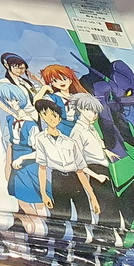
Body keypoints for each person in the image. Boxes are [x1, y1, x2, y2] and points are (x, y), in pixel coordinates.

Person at [15, 98, 98, 233]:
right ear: (41, 116)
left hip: (75, 180)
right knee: (60, 221)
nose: (50, 118)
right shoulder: (40, 139)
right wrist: (44, 194)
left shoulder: (70, 142)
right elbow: (42, 168)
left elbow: (80, 171)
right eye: (45, 114)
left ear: (59, 118)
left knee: (85, 218)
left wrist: (93, 197)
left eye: (54, 115)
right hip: (58, 180)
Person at [0, 52, 49, 234]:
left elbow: (36, 100)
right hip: (20, 123)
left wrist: (38, 82)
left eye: (22, 66)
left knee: (33, 170)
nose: (20, 69)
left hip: (33, 122)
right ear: (6, 65)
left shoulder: (26, 83)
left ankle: (36, 220)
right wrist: (14, 113)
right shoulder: (5, 84)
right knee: (14, 169)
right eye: (16, 66)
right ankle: (24, 215)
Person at [69, 92, 123, 243]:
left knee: (111, 206)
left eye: (95, 112)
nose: (93, 115)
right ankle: (105, 239)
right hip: (93, 171)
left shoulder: (91, 128)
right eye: (90, 110)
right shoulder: (77, 131)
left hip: (103, 169)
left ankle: (112, 238)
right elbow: (77, 162)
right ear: (80, 109)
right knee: (103, 208)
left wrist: (106, 152)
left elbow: (99, 144)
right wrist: (95, 176)